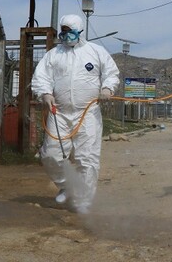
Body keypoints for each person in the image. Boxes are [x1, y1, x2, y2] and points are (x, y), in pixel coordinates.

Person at [31, 14, 120, 213]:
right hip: (59, 112)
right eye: (63, 32)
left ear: (79, 31)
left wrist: (107, 88)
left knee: (86, 158)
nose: (66, 35)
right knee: (51, 154)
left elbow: (111, 73)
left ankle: (83, 202)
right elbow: (41, 76)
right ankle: (66, 185)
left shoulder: (96, 52)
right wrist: (45, 93)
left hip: (87, 113)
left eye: (70, 32)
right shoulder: (54, 54)